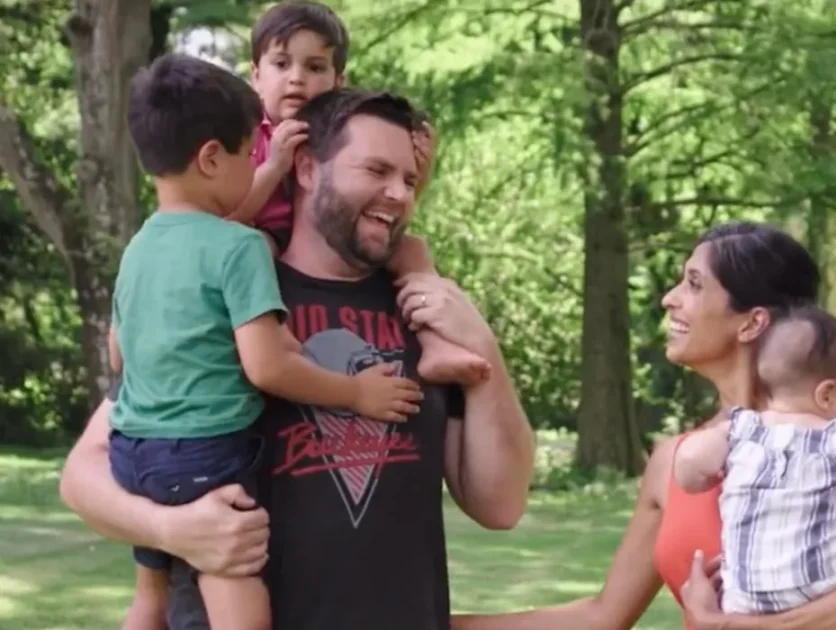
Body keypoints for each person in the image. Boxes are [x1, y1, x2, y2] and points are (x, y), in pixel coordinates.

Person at [58, 87, 535, 630]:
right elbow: (82, 474)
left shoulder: (425, 312)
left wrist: (483, 346)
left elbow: (500, 506)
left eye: (408, 178)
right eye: (376, 170)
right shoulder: (224, 288)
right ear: (307, 169)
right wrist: (169, 529)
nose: (399, 193)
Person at [452, 222, 836, 630]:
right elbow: (601, 618)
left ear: (752, 322)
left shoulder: (830, 440)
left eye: (693, 284)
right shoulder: (675, 460)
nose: (669, 298)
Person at [109, 54, 427, 630]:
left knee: (149, 603)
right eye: (248, 155)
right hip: (205, 456)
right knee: (239, 598)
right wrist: (355, 395)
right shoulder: (240, 248)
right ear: (212, 159)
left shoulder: (139, 251)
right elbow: (266, 365)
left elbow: (118, 354)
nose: (261, 170)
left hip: (137, 451)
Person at [229, 0, 490, 386]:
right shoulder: (250, 135)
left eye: (315, 67)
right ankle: (271, 335)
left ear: (338, 80)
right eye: (282, 65)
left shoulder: (350, 133)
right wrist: (274, 167)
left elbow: (384, 201)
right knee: (255, 250)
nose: (297, 79)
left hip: (330, 239)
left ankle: (436, 342)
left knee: (413, 249)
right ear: (256, 75)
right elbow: (231, 212)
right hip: (262, 234)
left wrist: (419, 170)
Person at [674, 306, 836, 614]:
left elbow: (688, 458)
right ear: (826, 395)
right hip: (823, 587)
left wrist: (700, 479)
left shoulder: (742, 429)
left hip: (744, 597)